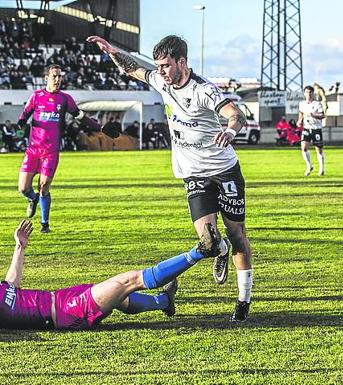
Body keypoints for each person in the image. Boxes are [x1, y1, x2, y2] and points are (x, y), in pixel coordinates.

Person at [87, 34, 253, 322]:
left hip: (224, 171)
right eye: (158, 66)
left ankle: (243, 300)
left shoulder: (204, 90)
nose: (160, 71)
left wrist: (230, 131)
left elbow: (235, 114)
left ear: (182, 62)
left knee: (237, 235)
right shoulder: (161, 81)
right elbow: (132, 69)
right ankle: (220, 248)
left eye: (165, 65)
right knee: (209, 242)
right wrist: (113, 51)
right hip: (194, 175)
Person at [0, 220, 226, 341]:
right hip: (68, 312)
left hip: (66, 298)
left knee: (122, 299)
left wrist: (19, 247)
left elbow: (11, 286)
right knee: (128, 280)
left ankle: (164, 301)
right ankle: (200, 251)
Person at [17, 65, 99, 234]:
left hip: (51, 151)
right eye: (54, 76)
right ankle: (32, 199)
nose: (58, 79)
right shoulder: (36, 96)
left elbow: (80, 116)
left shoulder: (65, 99)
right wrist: (21, 121)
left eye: (60, 76)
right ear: (46, 78)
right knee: (23, 188)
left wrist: (100, 127)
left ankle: (44, 224)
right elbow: (25, 114)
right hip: (33, 150)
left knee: (44, 185)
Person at [298, 85, 325, 176]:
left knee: (318, 150)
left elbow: (322, 115)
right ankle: (309, 166)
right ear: (304, 93)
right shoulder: (302, 104)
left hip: (316, 129)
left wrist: (314, 115)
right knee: (304, 147)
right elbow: (301, 113)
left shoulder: (317, 104)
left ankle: (321, 169)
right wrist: (299, 120)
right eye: (307, 92)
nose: (308, 94)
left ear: (313, 93)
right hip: (306, 128)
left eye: (310, 92)